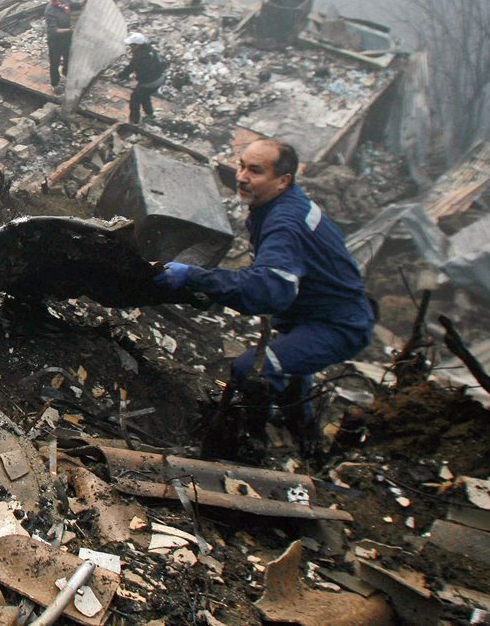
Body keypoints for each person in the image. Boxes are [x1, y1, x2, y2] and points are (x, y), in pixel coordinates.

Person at [153, 138, 374, 438]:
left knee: (251, 371)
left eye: (255, 171)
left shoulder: (285, 222)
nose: (241, 177)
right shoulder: (277, 205)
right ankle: (305, 437)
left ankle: (249, 445)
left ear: (283, 180)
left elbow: (267, 291)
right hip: (311, 314)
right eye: (241, 166)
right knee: (290, 378)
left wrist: (195, 277)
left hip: (338, 325)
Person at [115, 32, 164, 124]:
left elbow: (130, 68)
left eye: (131, 45)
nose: (130, 47)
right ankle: (150, 115)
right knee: (145, 95)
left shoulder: (140, 56)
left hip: (150, 82)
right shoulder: (148, 48)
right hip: (159, 78)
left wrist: (120, 76)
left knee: (135, 100)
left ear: (137, 45)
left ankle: (134, 122)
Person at [45, 0, 79, 90]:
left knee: (68, 57)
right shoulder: (50, 11)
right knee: (54, 63)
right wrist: (70, 30)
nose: (66, 0)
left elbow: (76, 4)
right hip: (55, 42)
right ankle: (55, 84)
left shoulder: (65, 2)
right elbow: (54, 30)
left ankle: (66, 72)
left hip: (67, 39)